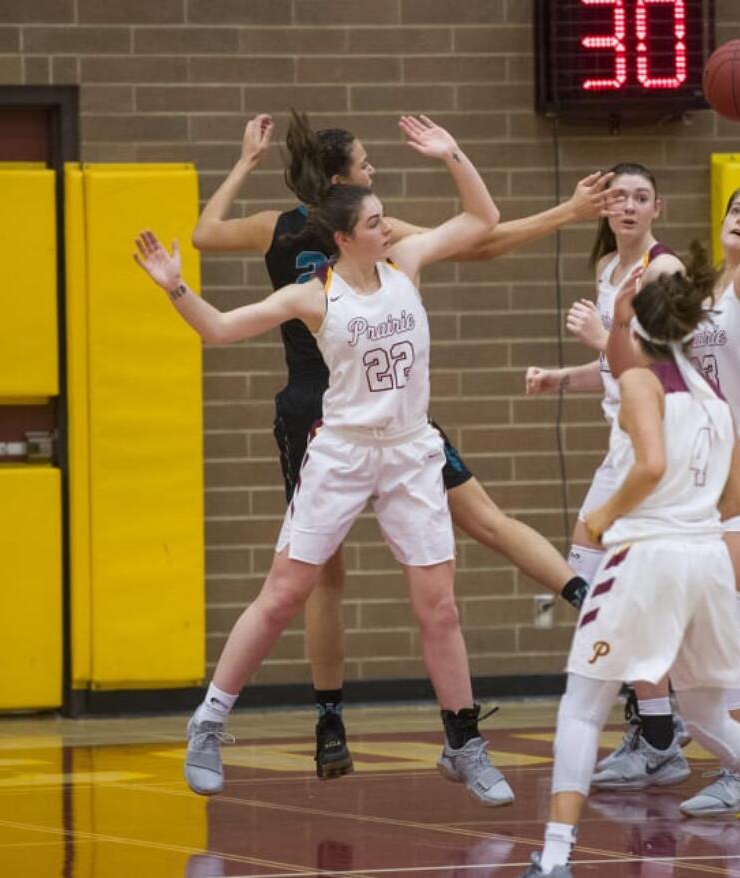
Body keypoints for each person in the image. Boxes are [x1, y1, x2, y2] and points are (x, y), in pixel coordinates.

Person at [191, 112, 619, 780]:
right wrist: (566, 210)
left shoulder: (284, 227)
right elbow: (484, 239)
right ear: (344, 199)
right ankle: (285, 717)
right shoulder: (373, 244)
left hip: (388, 421)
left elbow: (202, 234)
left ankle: (360, 721)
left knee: (378, 572)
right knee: (329, 571)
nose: (374, 176)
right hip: (335, 417)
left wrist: (245, 161)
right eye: (365, 169)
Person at [137, 115, 515, 805]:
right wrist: (174, 287)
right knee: (284, 595)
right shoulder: (312, 297)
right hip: (341, 453)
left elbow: (483, 216)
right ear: (344, 239)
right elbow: (219, 331)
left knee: (440, 607)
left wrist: (451, 152)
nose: (387, 226)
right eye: (375, 221)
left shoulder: (410, 263)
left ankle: (464, 743)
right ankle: (210, 722)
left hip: (408, 454)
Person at [518, 248, 740, 878]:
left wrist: (601, 517)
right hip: (706, 558)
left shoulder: (642, 384)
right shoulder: (714, 397)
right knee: (705, 714)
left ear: (637, 326)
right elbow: (733, 499)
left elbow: (646, 466)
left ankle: (556, 859)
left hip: (647, 556)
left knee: (582, 706)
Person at [592, 108, 740, 811]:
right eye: (738, 210)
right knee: (693, 621)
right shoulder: (703, 295)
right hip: (715, 470)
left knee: (717, 618)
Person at [525, 163, 692, 791]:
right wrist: (562, 377)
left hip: (657, 440)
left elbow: (664, 360)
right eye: (618, 196)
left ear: (658, 209)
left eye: (640, 197)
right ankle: (656, 724)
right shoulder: (606, 271)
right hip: (621, 437)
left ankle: (663, 727)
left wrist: (601, 339)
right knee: (596, 584)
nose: (627, 206)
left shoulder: (665, 271)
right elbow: (612, 366)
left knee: (617, 589)